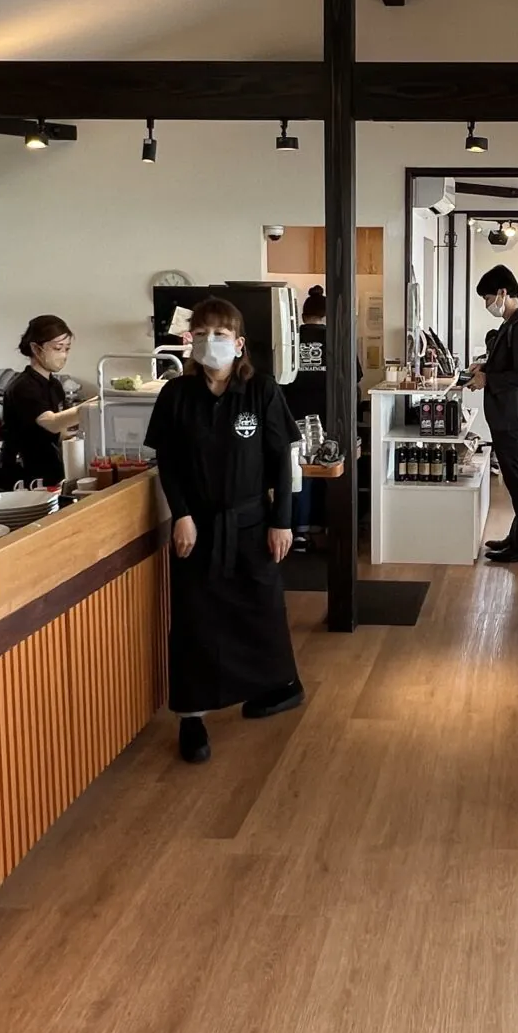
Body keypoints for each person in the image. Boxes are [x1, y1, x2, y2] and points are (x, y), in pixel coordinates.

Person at [144, 295, 304, 764]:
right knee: (195, 619)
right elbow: (169, 463)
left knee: (261, 607)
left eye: (220, 334)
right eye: (202, 333)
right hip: (197, 526)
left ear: (238, 343)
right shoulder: (176, 394)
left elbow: (280, 460)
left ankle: (281, 685)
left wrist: (282, 521)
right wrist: (181, 514)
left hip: (253, 521)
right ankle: (192, 718)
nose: (210, 341)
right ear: (190, 340)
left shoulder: (261, 390)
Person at [472, 265, 518, 563]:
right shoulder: (510, 324)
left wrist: (488, 379)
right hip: (504, 415)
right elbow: (507, 363)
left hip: (511, 417)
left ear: (503, 293)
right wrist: (483, 368)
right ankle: (517, 536)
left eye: (488, 298)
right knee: (515, 481)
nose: (488, 305)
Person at [0, 315, 79, 489]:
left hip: (48, 470)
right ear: (36, 348)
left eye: (67, 349)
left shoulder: (55, 386)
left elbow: (61, 432)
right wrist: (93, 406)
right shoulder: (23, 386)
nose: (63, 355)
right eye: (57, 348)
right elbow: (51, 423)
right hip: (20, 474)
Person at [283, 287, 330, 541]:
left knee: (297, 470)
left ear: (303, 316)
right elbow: (355, 375)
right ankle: (321, 525)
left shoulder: (290, 337)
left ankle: (298, 529)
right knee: (325, 468)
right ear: (326, 315)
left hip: (292, 414)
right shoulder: (335, 337)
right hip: (327, 414)